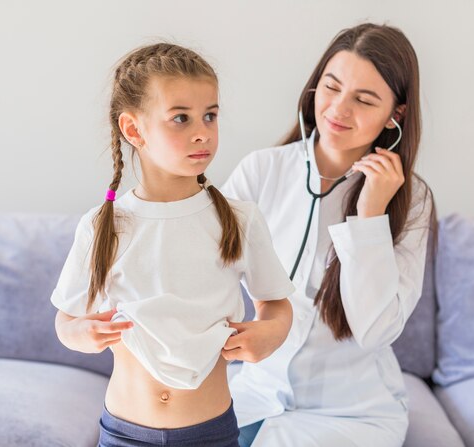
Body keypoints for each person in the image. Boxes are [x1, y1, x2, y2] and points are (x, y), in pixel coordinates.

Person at [51, 43, 295, 447]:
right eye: (180, 118)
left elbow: (277, 303)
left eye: (210, 116)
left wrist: (270, 333)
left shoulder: (239, 219)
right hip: (124, 432)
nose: (202, 131)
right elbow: (66, 319)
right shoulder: (102, 226)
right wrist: (79, 335)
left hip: (210, 432)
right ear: (133, 130)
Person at [221, 23, 437, 447]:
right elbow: (203, 263)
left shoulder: (412, 199)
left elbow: (376, 330)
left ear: (397, 113)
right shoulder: (262, 170)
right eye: (331, 87)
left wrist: (370, 215)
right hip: (255, 395)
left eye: (364, 99)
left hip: (352, 415)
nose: (338, 109)